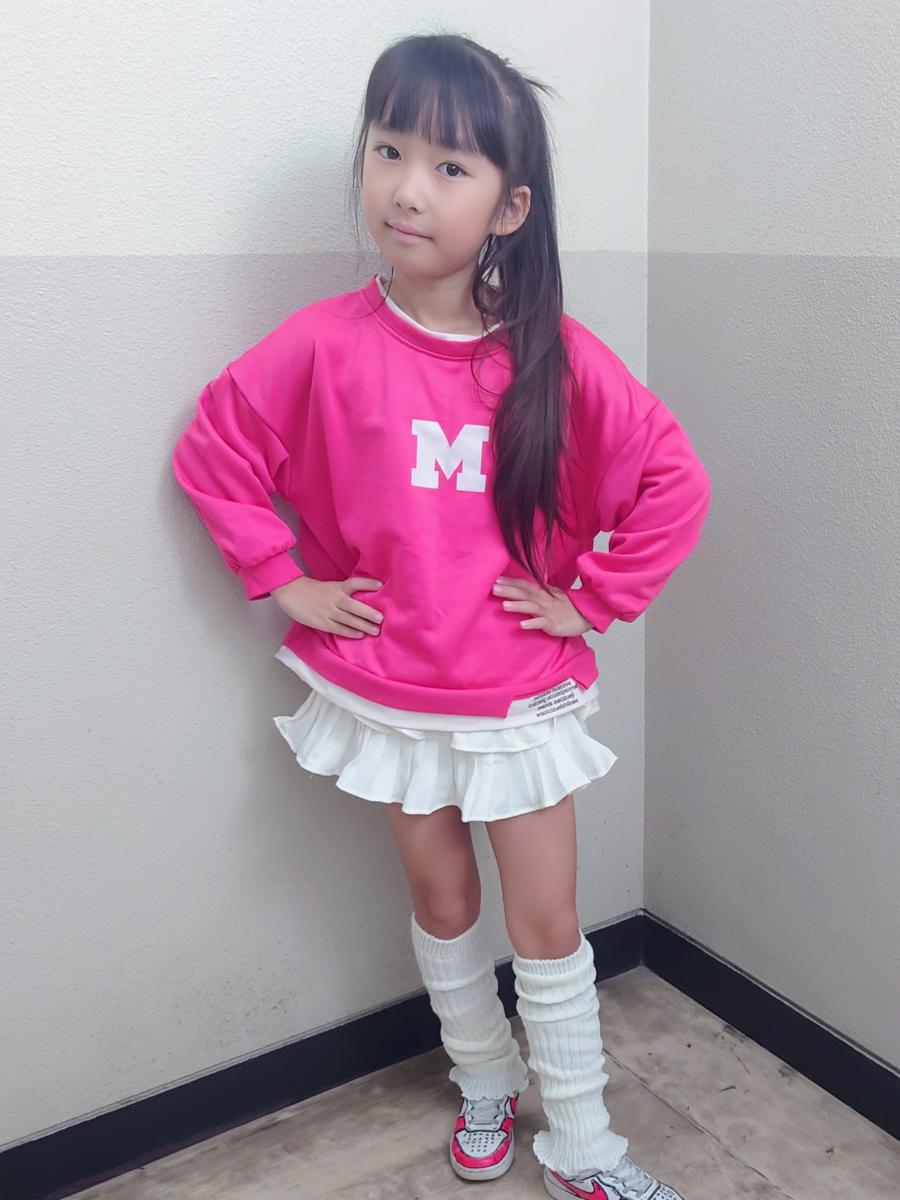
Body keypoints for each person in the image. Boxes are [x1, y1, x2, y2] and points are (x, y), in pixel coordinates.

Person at [171, 32, 710, 1200]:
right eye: (389, 151)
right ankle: (483, 1081)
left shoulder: (554, 360)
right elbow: (213, 449)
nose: (409, 188)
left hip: (515, 696)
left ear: (510, 208)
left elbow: (674, 481)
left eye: (450, 166)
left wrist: (593, 600)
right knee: (443, 900)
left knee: (548, 919)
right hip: (392, 691)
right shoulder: (322, 345)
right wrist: (286, 581)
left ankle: (582, 1139)